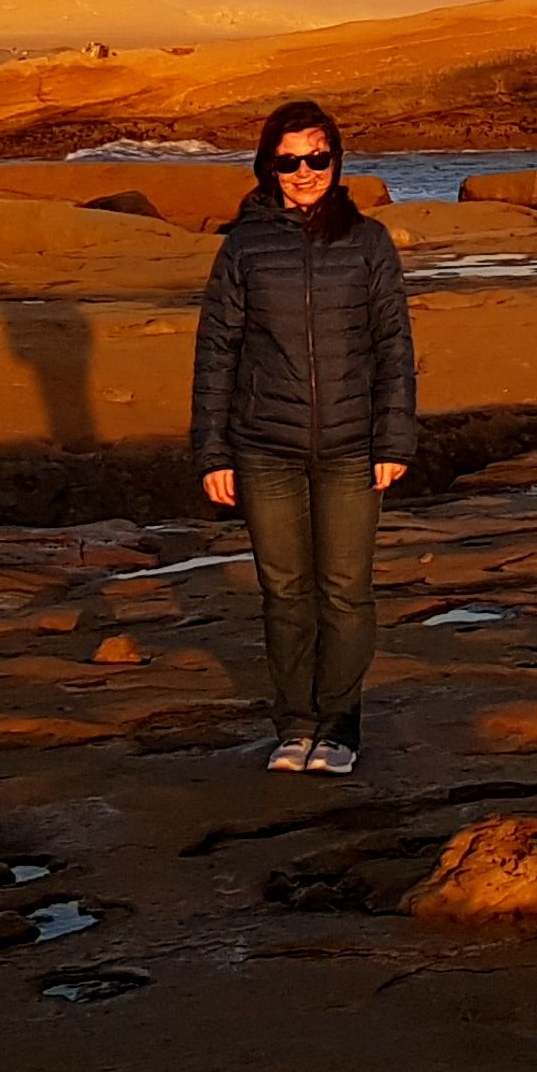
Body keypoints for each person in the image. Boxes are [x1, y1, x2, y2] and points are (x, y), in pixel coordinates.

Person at [189, 99, 418, 774]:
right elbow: (216, 352)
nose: (305, 171)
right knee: (284, 592)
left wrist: (395, 441)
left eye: (317, 157)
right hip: (264, 449)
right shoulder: (243, 245)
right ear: (268, 167)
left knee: (346, 589)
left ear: (336, 160)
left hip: (352, 449)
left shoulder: (368, 241)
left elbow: (394, 347)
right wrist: (212, 452)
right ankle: (294, 726)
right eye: (289, 160)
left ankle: (340, 728)